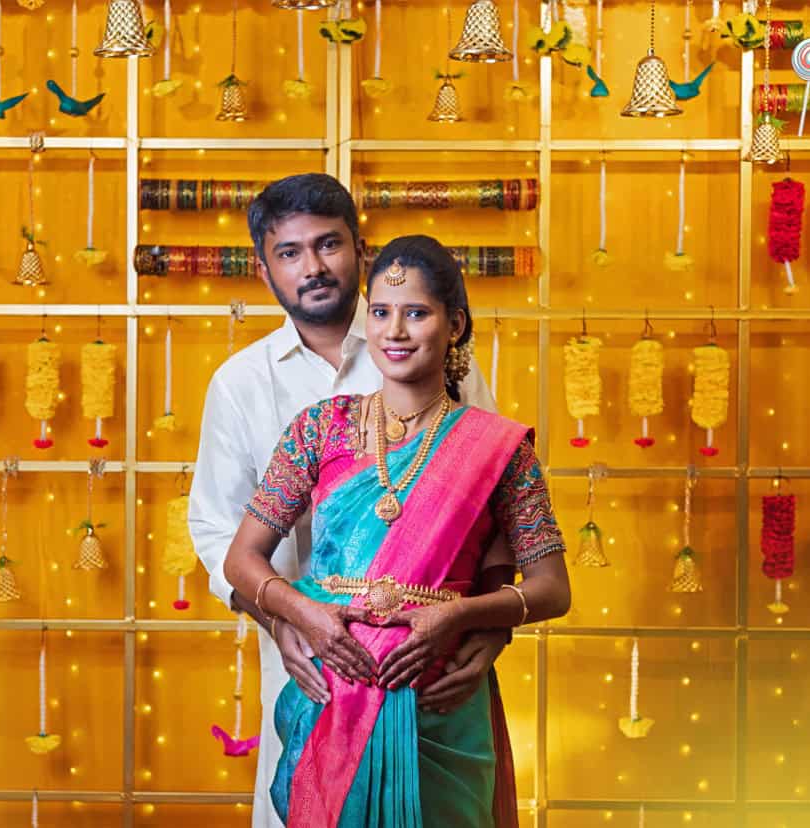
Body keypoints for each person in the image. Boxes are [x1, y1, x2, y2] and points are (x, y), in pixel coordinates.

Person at [189, 175, 512, 828]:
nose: (312, 267)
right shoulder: (241, 384)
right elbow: (216, 530)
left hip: (434, 665)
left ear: (361, 251)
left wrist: (490, 627)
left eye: (329, 244)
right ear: (263, 267)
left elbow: (494, 498)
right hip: (308, 665)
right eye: (290, 252)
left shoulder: (440, 355)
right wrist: (286, 619)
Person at [223, 235, 571, 827]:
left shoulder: (499, 449)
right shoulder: (320, 430)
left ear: (453, 323)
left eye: (416, 313)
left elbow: (551, 589)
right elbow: (241, 561)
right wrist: (300, 614)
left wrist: (460, 618)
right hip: (333, 693)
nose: (395, 331)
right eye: (381, 313)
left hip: (441, 699)